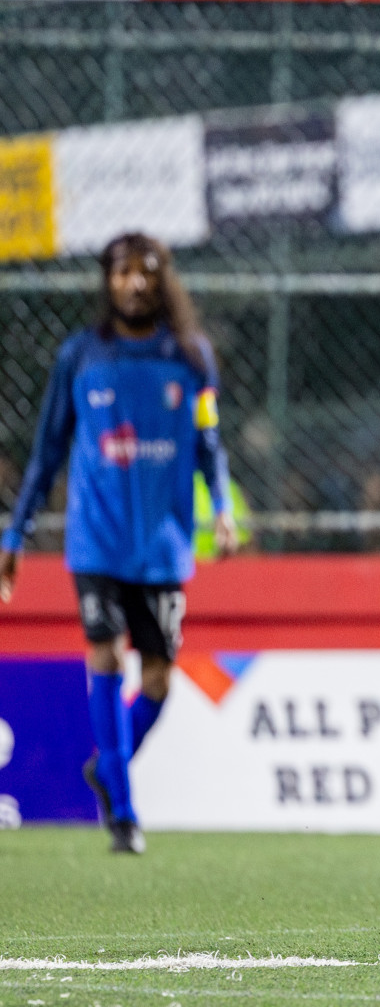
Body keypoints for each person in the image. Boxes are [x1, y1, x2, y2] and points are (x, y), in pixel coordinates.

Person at [0, 233, 237, 854]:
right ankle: (124, 814)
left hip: (162, 546)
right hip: (96, 542)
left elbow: (209, 442)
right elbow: (48, 450)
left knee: (158, 679)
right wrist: (16, 530)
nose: (135, 283)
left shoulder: (190, 357)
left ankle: (108, 765)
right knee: (104, 653)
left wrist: (223, 508)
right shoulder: (82, 356)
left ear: (162, 281)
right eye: (123, 272)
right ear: (108, 280)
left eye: (146, 273)